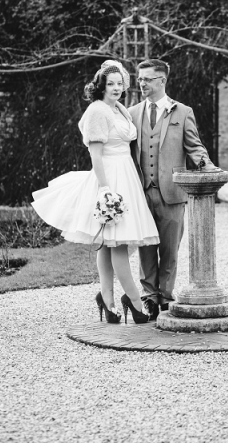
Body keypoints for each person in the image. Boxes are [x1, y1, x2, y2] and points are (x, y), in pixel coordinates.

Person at [32, 60, 159, 325]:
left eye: (120, 83)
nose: (116, 88)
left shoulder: (120, 109)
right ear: (101, 85)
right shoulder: (97, 111)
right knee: (119, 243)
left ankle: (108, 302)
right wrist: (105, 191)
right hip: (109, 179)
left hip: (127, 177)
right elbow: (96, 155)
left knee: (108, 242)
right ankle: (135, 304)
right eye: (110, 84)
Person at [128, 59, 218, 321]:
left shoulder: (182, 112)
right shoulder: (132, 113)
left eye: (146, 79)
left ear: (162, 81)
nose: (141, 83)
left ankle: (166, 298)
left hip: (172, 194)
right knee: (145, 247)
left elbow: (195, 147)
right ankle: (149, 298)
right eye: (140, 78)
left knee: (169, 250)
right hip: (141, 192)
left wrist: (207, 165)